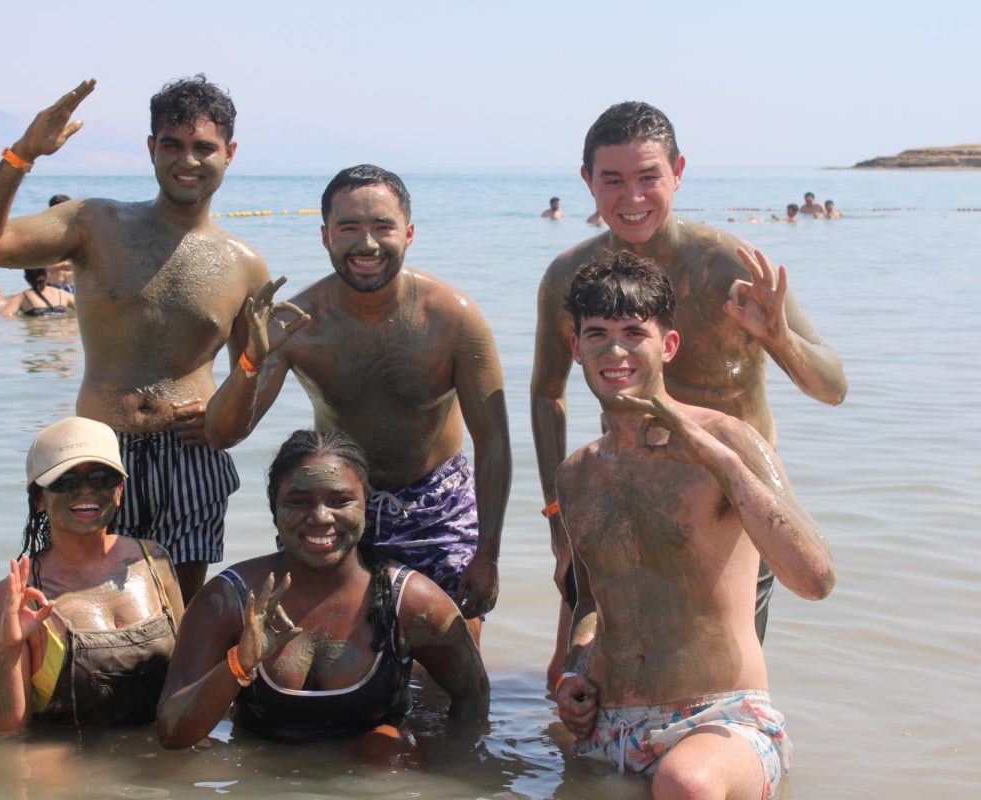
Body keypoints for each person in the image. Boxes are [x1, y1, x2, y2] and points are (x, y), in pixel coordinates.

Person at [532, 101, 847, 686]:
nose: (632, 197)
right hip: (626, 497)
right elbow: (547, 393)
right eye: (613, 180)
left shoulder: (730, 263)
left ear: (678, 171)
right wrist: (559, 514)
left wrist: (779, 339)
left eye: (649, 176)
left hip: (730, 500)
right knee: (590, 680)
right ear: (587, 183)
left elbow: (832, 388)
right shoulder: (569, 277)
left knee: (720, 673)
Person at [0, 76, 291, 604]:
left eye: (204, 148)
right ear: (151, 148)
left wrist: (227, 423)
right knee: (77, 605)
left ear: (230, 154)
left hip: (190, 459)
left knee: (176, 612)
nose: (188, 161)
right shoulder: (96, 223)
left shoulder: (243, 264)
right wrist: (22, 155)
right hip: (98, 454)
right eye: (173, 145)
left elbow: (262, 364)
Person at [554, 252, 835, 799]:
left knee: (686, 783)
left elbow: (815, 578)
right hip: (611, 725)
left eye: (634, 332)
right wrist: (575, 670)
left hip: (720, 720)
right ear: (576, 348)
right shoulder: (577, 474)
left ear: (669, 346)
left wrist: (718, 462)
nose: (615, 351)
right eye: (597, 335)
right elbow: (592, 605)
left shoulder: (729, 440)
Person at [204, 165, 512, 637]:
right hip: (341, 509)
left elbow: (493, 443)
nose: (366, 244)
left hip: (437, 506)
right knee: (336, 659)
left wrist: (487, 553)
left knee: (455, 668)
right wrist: (251, 357)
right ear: (325, 236)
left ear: (408, 233)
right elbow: (224, 434)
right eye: (349, 228)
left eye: (382, 227)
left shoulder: (454, 319)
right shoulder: (298, 324)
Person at [156, 429, 488, 748]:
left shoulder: (412, 601)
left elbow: (472, 697)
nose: (320, 517)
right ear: (275, 508)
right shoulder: (228, 599)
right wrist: (239, 664)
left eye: (340, 500)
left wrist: (443, 766)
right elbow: (172, 732)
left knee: (389, 753)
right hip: (268, 770)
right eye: (299, 502)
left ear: (366, 506)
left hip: (371, 777)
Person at [0, 417, 185, 730]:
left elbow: (186, 675)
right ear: (38, 498)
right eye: (66, 481)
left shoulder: (154, 562)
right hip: (70, 768)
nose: (86, 491)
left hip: (158, 760)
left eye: (101, 478)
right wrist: (8, 650)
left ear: (120, 489)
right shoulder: (16, 597)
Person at [0, 268, 75, 317]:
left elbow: (4, 316)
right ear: (47, 275)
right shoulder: (62, 294)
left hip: (38, 338)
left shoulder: (22, 297)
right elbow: (84, 309)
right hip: (62, 337)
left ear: (26, 279)